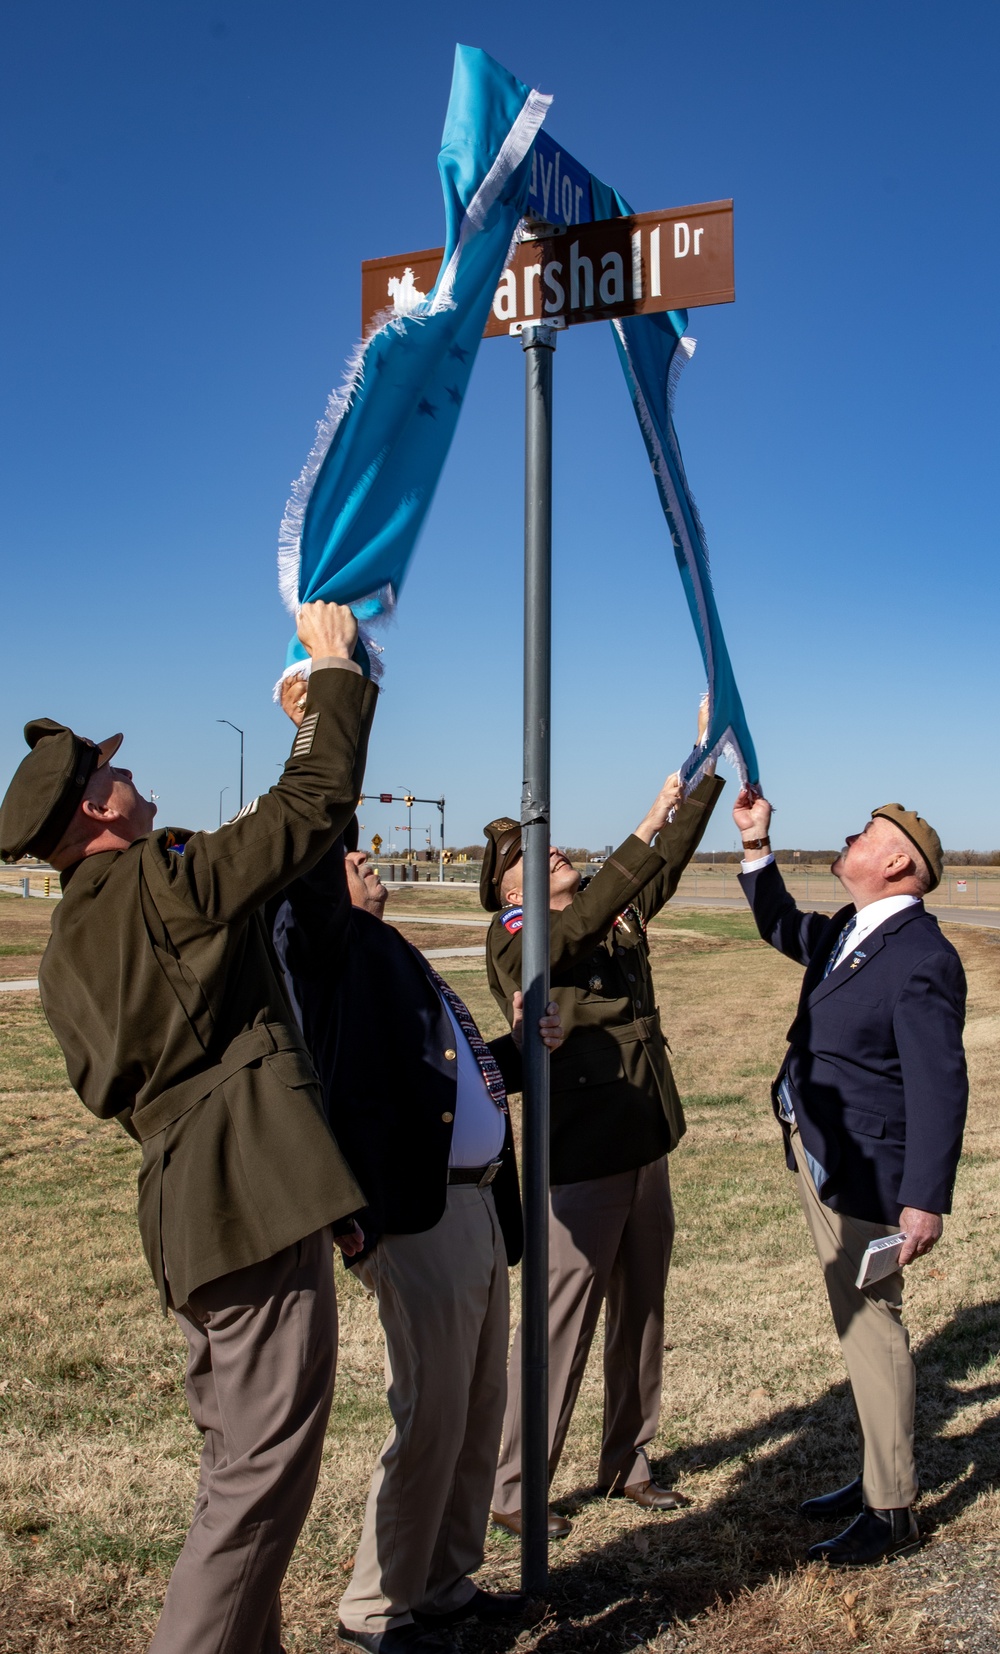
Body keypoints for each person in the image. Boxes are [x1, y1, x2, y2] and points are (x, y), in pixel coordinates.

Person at [0, 602, 378, 1654]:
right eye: (108, 772)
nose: (130, 772)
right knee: (259, 1484)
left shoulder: (75, 934)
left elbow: (293, 850)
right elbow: (304, 810)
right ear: (94, 817)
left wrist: (309, 716)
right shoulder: (156, 887)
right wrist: (339, 678)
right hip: (248, 1197)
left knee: (234, 1473)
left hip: (192, 1208)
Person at [272, 678, 564, 1654]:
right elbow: (316, 846)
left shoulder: (397, 951)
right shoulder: (332, 948)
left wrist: (523, 1047)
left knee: (477, 1405)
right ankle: (374, 1606)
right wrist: (319, 730)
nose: (362, 859)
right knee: (430, 1407)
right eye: (348, 857)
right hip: (419, 1210)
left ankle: (444, 1581)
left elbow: (463, 1082)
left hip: (481, 1204)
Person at [481, 729, 725, 1538]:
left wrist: (701, 771)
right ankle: (518, 1486)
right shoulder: (519, 937)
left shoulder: (606, 915)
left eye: (555, 848)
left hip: (642, 1135)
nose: (556, 856)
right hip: (579, 1153)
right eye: (535, 854)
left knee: (642, 1310)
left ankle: (629, 1458)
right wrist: (644, 823)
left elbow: (659, 869)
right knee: (560, 1323)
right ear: (507, 884)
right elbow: (572, 929)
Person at [733, 789, 968, 1565]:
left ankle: (891, 1506)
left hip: (868, 1167)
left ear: (897, 861)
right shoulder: (848, 930)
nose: (848, 836)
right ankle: (875, 1474)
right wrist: (756, 846)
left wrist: (924, 1201)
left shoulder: (923, 956)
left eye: (865, 832)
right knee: (856, 1322)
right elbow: (778, 923)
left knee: (873, 1327)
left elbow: (940, 1085)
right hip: (822, 1151)